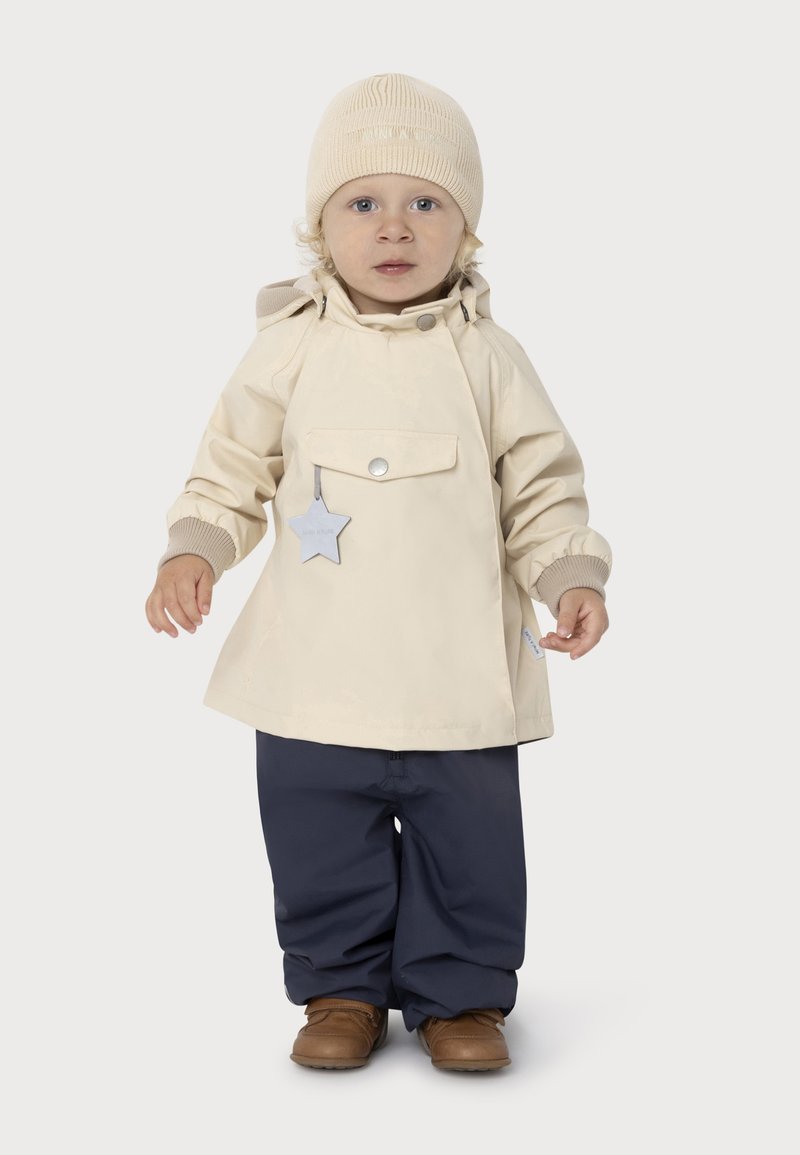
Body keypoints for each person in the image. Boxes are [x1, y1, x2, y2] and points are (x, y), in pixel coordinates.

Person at [145, 73, 612, 1073]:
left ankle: (460, 997)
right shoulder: (288, 348)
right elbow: (229, 468)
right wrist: (195, 547)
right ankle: (341, 989)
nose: (393, 227)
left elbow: (541, 483)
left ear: (466, 230)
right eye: (362, 202)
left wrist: (568, 571)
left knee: (470, 849)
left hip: (456, 673)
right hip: (313, 668)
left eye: (425, 202)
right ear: (320, 227)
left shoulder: (488, 358)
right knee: (318, 839)